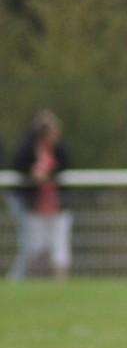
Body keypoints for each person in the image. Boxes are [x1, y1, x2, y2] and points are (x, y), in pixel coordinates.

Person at [7, 109, 72, 281]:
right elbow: (18, 167)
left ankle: (60, 282)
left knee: (59, 245)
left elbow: (65, 167)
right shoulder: (27, 149)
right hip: (35, 206)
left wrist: (49, 175)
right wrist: (32, 173)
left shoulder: (60, 149)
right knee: (35, 246)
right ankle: (34, 281)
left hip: (57, 206)